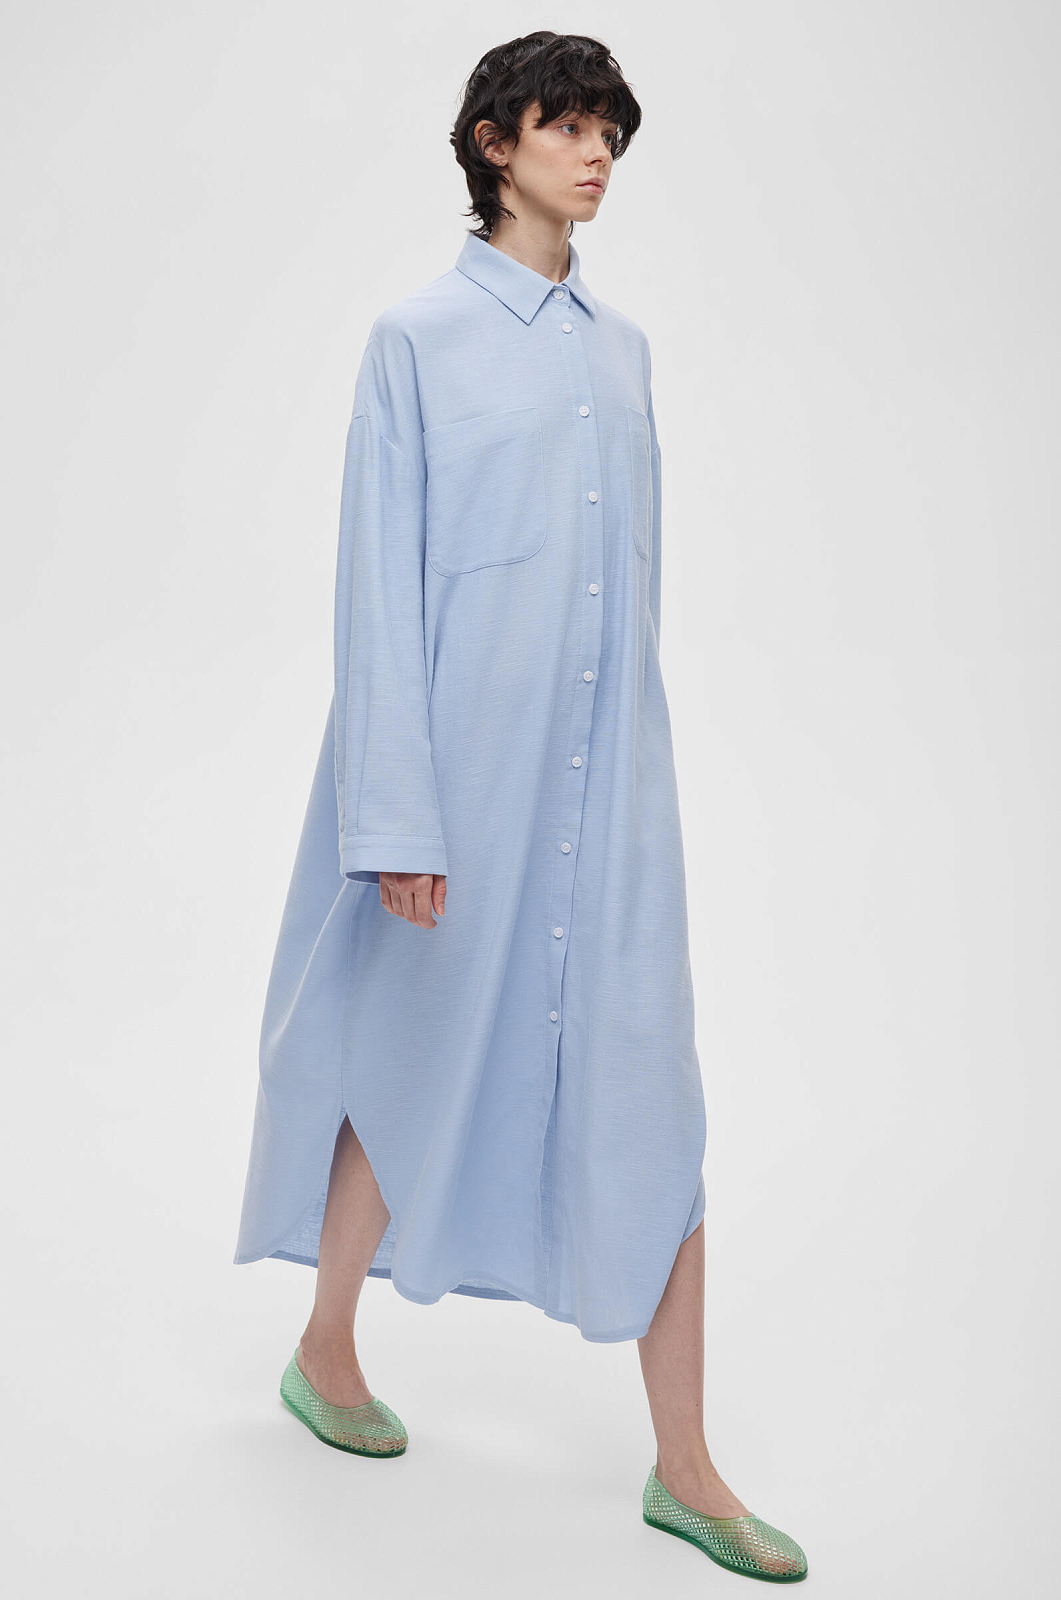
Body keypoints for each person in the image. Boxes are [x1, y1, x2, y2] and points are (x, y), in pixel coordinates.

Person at [234, 31, 808, 1583]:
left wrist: (638, 782)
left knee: (655, 1093)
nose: (599, 154)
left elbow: (633, 593)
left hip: (612, 797)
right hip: (457, 790)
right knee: (402, 1063)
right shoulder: (415, 342)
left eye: (612, 131)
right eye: (569, 128)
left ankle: (685, 1467)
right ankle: (326, 1350)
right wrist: (396, 822)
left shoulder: (624, 354)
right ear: (496, 144)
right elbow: (376, 591)